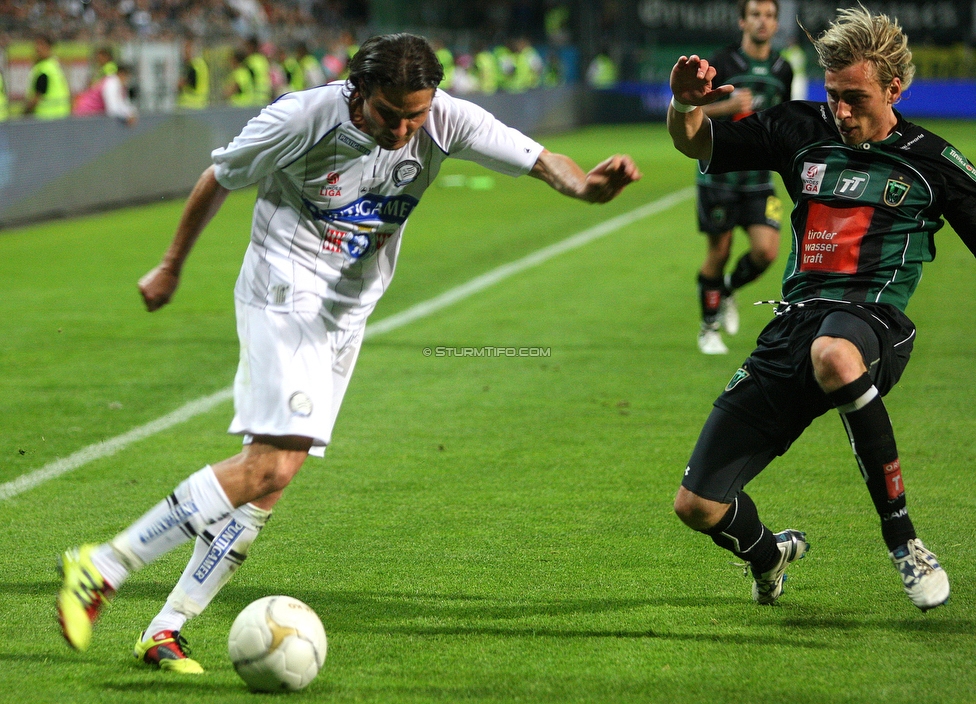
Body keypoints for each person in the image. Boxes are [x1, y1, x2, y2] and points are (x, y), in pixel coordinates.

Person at [56, 32, 640, 670]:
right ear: (358, 93)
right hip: (282, 291)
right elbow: (217, 177)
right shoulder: (302, 118)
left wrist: (585, 187)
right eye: (391, 114)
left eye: (416, 114)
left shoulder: (442, 119)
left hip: (345, 313)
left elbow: (540, 159)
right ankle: (105, 565)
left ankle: (164, 628)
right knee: (269, 466)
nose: (405, 128)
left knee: (275, 483)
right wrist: (170, 266)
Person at [668, 7, 976, 611]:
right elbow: (698, 142)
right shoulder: (798, 128)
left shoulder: (934, 162)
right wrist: (684, 106)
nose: (841, 111)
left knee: (834, 352)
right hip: (793, 326)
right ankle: (769, 556)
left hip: (872, 322)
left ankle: (905, 542)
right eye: (833, 95)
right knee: (698, 505)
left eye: (855, 97)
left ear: (894, 88)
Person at [692, 0, 793, 355]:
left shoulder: (783, 69)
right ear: (742, 21)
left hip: (760, 180)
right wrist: (727, 108)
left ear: (776, 23)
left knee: (766, 252)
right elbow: (692, 111)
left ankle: (729, 290)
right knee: (718, 252)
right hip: (719, 178)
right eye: (755, 15)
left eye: (768, 16)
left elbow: (786, 118)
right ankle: (709, 328)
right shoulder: (720, 63)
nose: (762, 22)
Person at [72, 63, 138, 125]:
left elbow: (121, 104)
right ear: (122, 74)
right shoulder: (111, 84)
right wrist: (126, 117)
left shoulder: (119, 85)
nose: (128, 80)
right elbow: (112, 109)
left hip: (91, 116)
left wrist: (130, 113)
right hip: (85, 114)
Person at [24, 35, 71, 120]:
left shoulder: (43, 69)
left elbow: (37, 96)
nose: (38, 48)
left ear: (49, 47)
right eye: (36, 44)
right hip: (62, 115)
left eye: (41, 44)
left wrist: (25, 113)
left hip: (46, 117)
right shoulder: (55, 65)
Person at [178, 40, 209, 110]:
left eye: (186, 52)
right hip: (200, 103)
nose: (184, 55)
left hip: (190, 105)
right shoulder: (201, 64)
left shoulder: (194, 66)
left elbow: (183, 83)